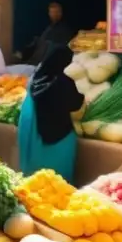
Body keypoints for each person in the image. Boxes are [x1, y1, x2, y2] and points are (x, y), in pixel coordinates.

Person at [18, 45, 85, 181]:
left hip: (36, 133)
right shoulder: (64, 81)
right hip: (59, 136)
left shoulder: (35, 79)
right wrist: (83, 97)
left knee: (37, 173)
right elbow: (75, 104)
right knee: (57, 175)